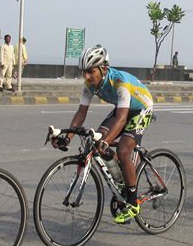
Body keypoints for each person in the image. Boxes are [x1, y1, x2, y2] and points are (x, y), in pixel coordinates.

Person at [50, 45, 154, 224]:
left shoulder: (120, 83)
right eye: (84, 72)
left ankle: (132, 202)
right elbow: (81, 113)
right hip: (123, 108)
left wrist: (107, 141)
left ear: (104, 69)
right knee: (97, 140)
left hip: (141, 109)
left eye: (90, 71)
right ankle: (121, 181)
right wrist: (67, 138)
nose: (86, 77)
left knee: (123, 150)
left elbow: (121, 119)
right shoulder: (89, 85)